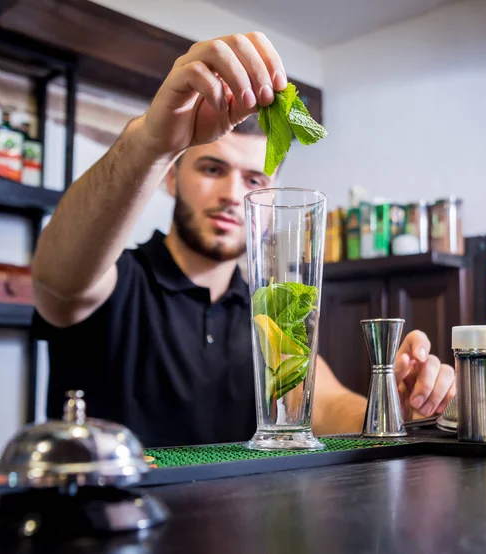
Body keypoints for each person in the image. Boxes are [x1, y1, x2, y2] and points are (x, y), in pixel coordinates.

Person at [31, 32, 455, 447]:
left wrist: (394, 410)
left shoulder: (271, 310)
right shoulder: (118, 281)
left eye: (254, 179)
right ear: (171, 176)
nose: (234, 195)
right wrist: (152, 141)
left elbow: (324, 406)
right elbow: (58, 279)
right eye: (212, 169)